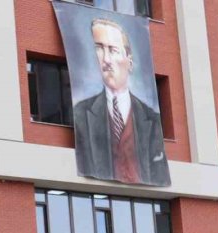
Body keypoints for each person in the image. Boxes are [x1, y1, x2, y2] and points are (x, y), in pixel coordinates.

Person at [72, 17, 169, 186]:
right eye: (100, 49)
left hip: (144, 198)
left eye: (113, 50)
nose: (106, 60)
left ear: (129, 62)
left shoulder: (152, 119)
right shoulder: (81, 114)